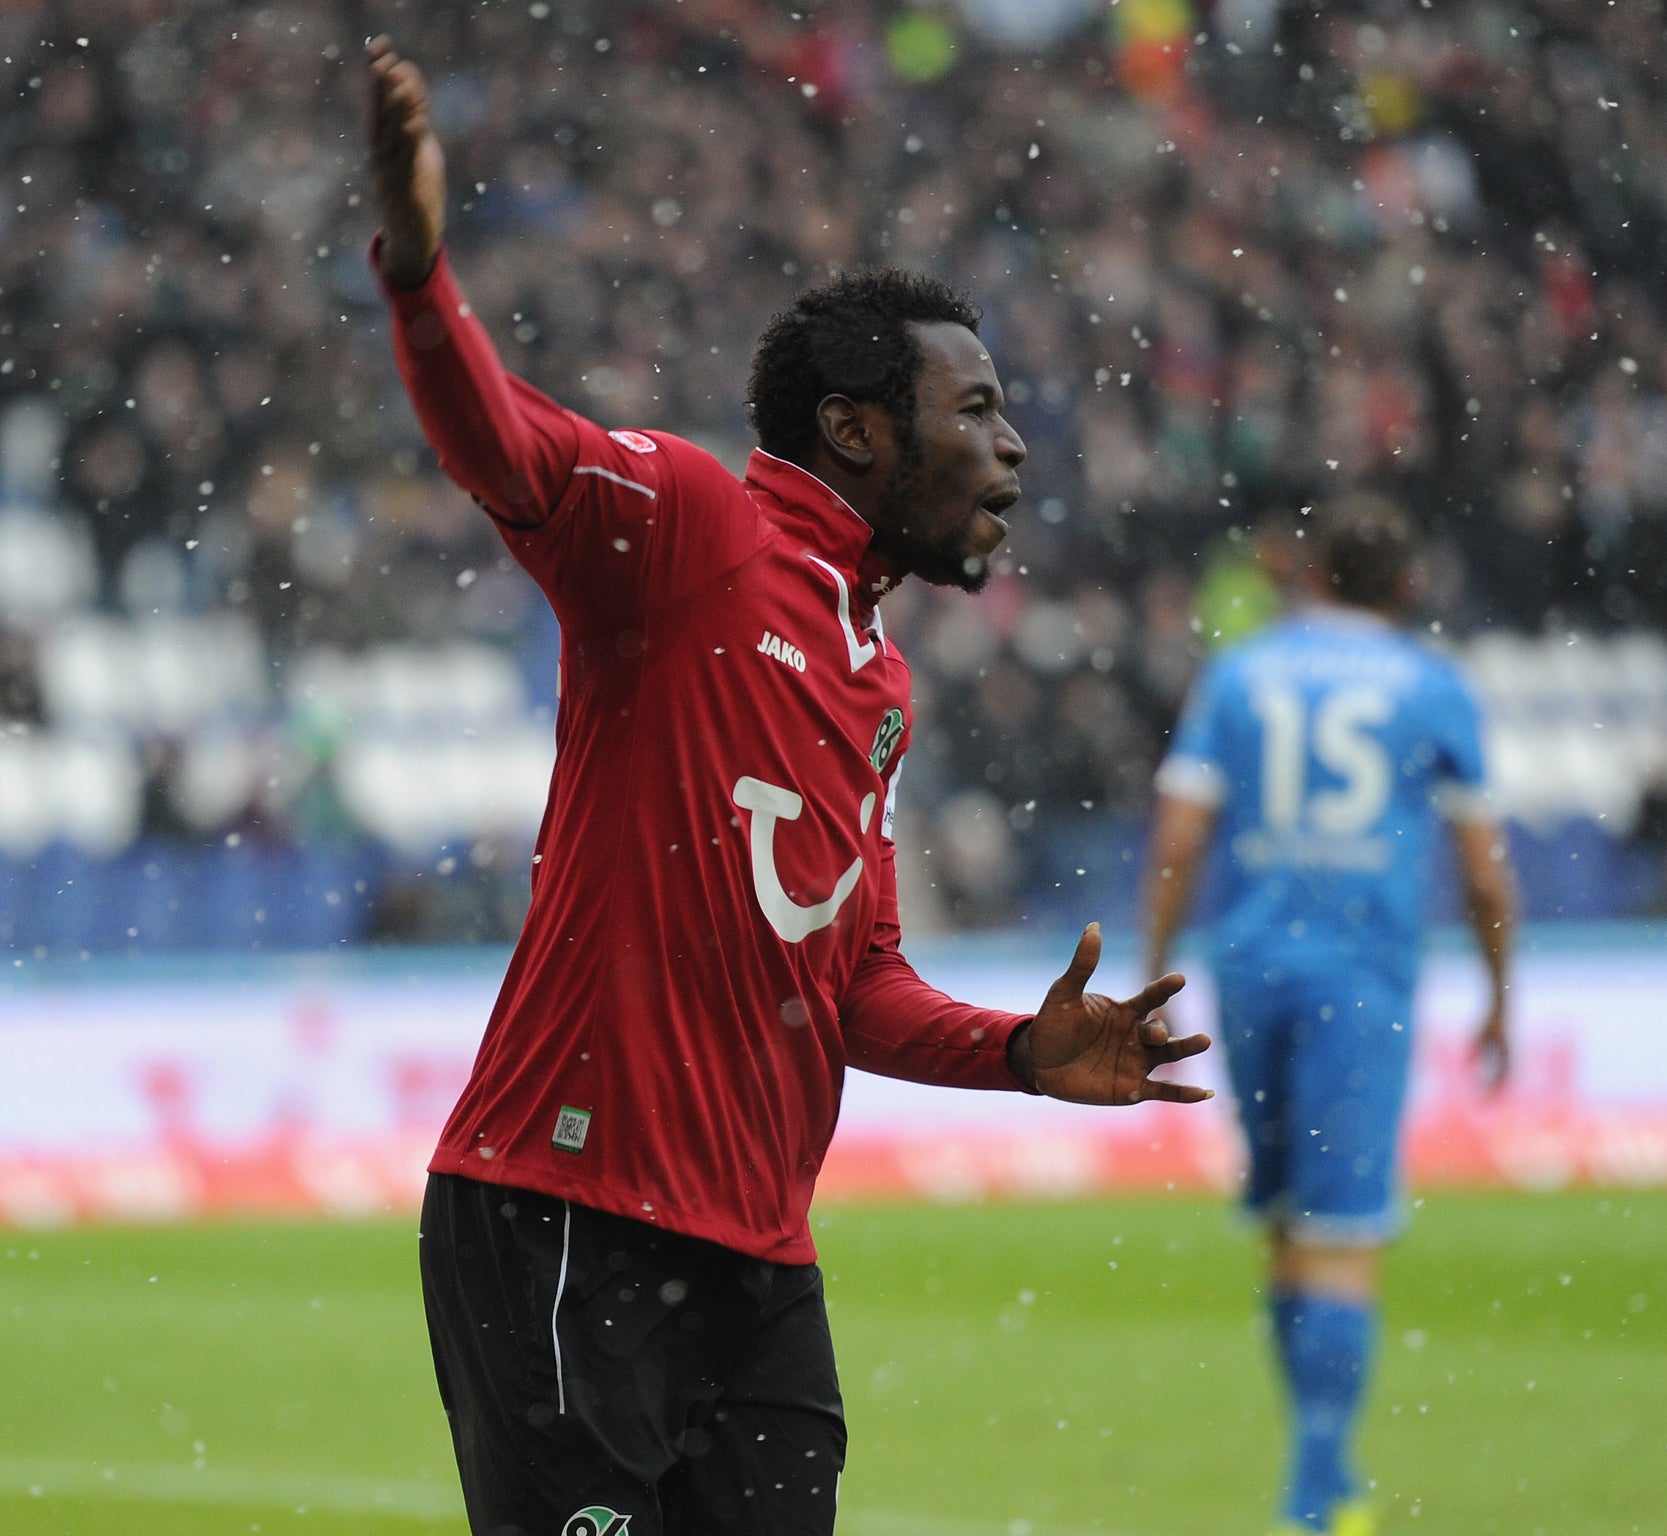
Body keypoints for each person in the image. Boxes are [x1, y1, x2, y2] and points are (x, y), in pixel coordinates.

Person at [364, 38, 1213, 1536]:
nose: (1012, 447)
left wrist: (1019, 1052)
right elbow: (510, 450)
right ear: (855, 428)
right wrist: (424, 278)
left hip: (756, 1265)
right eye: (974, 410)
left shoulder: (875, 676)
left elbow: (855, 983)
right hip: (569, 1220)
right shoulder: (693, 530)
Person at [1139, 494, 1516, 1536]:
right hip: (1360, 976)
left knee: (1278, 1223)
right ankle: (1316, 1488)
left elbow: (1177, 837)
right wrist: (1498, 999)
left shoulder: (1242, 672)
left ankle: (1317, 1472)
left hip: (1250, 969)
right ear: (1405, 587)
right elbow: (1485, 877)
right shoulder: (1432, 687)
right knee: (1341, 1231)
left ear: (1308, 575)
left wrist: (1154, 974)